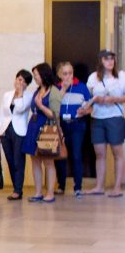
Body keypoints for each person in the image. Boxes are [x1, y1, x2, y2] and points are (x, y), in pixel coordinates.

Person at [83, 50, 125, 197]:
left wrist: (114, 99)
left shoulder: (121, 76)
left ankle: (117, 187)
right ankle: (99, 186)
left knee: (117, 152)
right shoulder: (93, 78)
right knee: (99, 152)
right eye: (107, 59)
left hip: (114, 116)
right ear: (100, 61)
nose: (110, 62)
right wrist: (92, 103)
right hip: (97, 117)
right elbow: (87, 97)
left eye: (112, 59)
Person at [22, 62, 63, 203]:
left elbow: (55, 114)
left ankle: (50, 192)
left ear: (44, 75)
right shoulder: (37, 91)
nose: (35, 78)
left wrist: (40, 106)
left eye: (37, 75)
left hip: (46, 129)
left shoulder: (54, 91)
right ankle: (38, 191)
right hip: (33, 127)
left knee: (48, 161)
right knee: (35, 161)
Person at [55, 61, 92, 197]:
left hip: (77, 123)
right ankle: (61, 185)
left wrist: (85, 110)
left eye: (70, 73)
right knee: (60, 155)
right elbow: (54, 106)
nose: (68, 76)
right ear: (59, 75)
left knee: (76, 154)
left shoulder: (81, 87)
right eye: (65, 74)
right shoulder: (56, 88)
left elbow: (91, 107)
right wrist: (63, 89)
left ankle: (78, 187)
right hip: (61, 125)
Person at [0, 69, 33, 200]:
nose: (19, 82)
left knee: (18, 160)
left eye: (22, 80)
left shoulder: (28, 96)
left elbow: (21, 108)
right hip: (6, 130)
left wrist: (20, 93)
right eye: (18, 79)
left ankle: (18, 190)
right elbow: (2, 113)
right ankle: (15, 187)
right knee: (10, 160)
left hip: (19, 131)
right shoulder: (7, 95)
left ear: (26, 84)